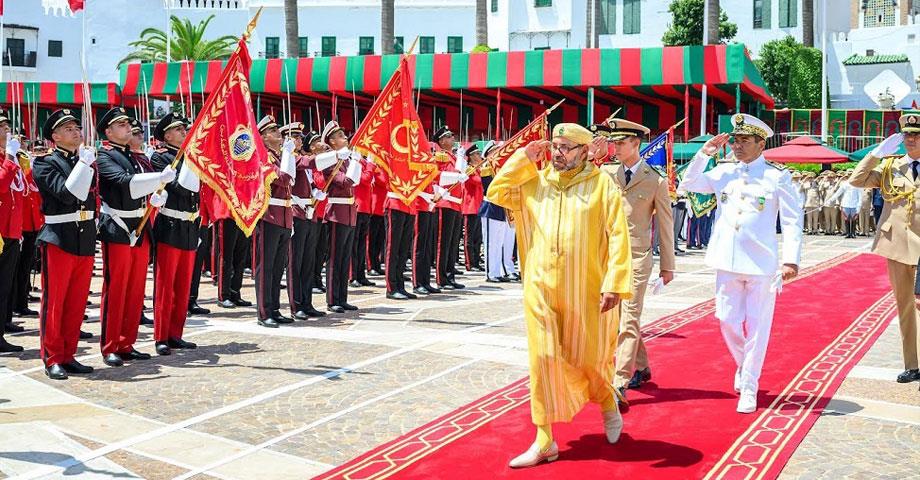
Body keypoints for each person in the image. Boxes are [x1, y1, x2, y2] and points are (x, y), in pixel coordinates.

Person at [487, 123, 633, 468]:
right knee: (542, 359)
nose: (558, 153)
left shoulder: (602, 186)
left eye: (566, 147)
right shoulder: (535, 182)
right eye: (555, 146)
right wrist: (523, 158)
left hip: (586, 289)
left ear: (584, 151)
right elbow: (497, 191)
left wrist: (615, 282)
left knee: (588, 358)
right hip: (540, 287)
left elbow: (618, 235)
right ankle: (544, 439)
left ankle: (607, 402)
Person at [679, 114, 803, 413]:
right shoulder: (724, 172)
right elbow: (689, 183)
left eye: (745, 140)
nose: (737, 146)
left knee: (758, 328)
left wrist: (791, 260)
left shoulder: (777, 176)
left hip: (761, 263)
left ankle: (749, 385)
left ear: (761, 144)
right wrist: (704, 153)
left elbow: (791, 219)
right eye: (735, 140)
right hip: (726, 259)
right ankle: (744, 364)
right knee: (727, 321)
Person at [592, 119, 676, 399]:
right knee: (617, 319)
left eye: (621, 143)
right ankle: (641, 365)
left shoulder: (655, 180)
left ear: (636, 143)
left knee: (629, 319)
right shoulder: (605, 173)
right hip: (609, 257)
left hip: (638, 257)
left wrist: (667, 265)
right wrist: (590, 156)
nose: (615, 148)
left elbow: (665, 224)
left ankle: (619, 382)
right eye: (613, 143)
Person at [96, 107, 174, 367]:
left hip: (140, 226)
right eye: (121, 125)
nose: (128, 128)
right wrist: (158, 178)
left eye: (128, 124)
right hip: (118, 226)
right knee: (116, 288)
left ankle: (126, 342)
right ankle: (110, 346)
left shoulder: (132, 156)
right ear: (108, 132)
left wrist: (155, 196)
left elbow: (140, 188)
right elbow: (124, 182)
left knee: (134, 290)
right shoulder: (104, 156)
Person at [849, 114, 920, 386]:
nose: (911, 139)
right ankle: (912, 365)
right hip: (897, 245)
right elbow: (857, 180)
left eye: (917, 135)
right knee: (905, 306)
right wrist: (876, 155)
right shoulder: (891, 166)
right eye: (907, 135)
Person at [33, 109, 98, 379]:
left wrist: (84, 163)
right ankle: (53, 357)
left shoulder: (84, 160)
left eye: (76, 127)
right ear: (55, 137)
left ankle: (69, 354)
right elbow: (66, 194)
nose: (76, 132)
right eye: (68, 129)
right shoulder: (45, 163)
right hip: (59, 236)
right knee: (55, 302)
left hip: (84, 236)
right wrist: (83, 165)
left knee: (76, 302)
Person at [149, 113, 201, 354]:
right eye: (178, 130)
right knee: (165, 285)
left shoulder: (190, 157)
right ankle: (161, 336)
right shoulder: (161, 158)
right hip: (170, 225)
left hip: (189, 225)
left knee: (182, 285)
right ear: (167, 135)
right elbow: (179, 189)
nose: (184, 132)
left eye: (184, 129)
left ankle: (175, 333)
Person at [254, 115, 295, 328]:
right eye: (272, 130)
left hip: (284, 216)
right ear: (262, 137)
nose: (278, 132)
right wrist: (288, 154)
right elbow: (282, 179)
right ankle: (264, 312)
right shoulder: (263, 157)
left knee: (278, 267)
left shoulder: (278, 156)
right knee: (266, 267)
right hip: (268, 216)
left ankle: (275, 309)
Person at [317, 121, 362, 313]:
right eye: (341, 136)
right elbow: (345, 182)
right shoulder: (330, 162)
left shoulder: (347, 161)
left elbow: (355, 182)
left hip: (349, 212)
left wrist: (355, 161)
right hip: (336, 213)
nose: (345, 138)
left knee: (344, 259)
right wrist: (356, 163)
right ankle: (333, 299)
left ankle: (342, 298)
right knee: (335, 259)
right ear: (332, 141)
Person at [287, 127, 327, 319]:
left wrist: (315, 191)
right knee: (296, 261)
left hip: (309, 212)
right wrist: (334, 155)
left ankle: (307, 302)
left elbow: (309, 180)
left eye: (299, 137)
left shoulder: (301, 158)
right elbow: (307, 163)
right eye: (295, 137)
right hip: (296, 212)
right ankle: (297, 305)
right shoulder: (290, 158)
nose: (299, 140)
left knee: (308, 261)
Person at [0, 111, 25, 352]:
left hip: (10, 231)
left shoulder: (10, 157)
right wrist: (9, 157)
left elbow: (20, 193)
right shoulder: (6, 158)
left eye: (7, 126)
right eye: (2, 127)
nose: (7, 130)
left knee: (4, 286)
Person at [478, 141, 518, 283]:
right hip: (491, 206)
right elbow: (490, 187)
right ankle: (490, 273)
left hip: (501, 206)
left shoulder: (501, 169)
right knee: (491, 243)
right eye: (496, 150)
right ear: (489, 153)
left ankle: (497, 271)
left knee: (499, 242)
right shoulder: (487, 167)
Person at [432, 126, 467, 290]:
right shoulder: (440, 156)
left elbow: (460, 174)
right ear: (441, 141)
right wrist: (456, 175)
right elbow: (437, 175)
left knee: (453, 242)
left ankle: (450, 274)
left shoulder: (452, 156)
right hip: (445, 201)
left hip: (455, 202)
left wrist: (461, 160)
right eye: (449, 136)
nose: (453, 138)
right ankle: (442, 278)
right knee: (443, 242)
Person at [461, 143, 485, 272]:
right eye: (477, 154)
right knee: (469, 238)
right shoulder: (469, 169)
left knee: (478, 238)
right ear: (471, 156)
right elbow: (478, 181)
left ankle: (476, 261)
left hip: (479, 207)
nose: (479, 156)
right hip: (470, 207)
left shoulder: (478, 169)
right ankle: (469, 262)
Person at [828, 169, 862, 238]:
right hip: (846, 203)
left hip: (854, 204)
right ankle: (848, 233)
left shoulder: (857, 183)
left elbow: (860, 196)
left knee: (853, 219)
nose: (850, 175)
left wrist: (859, 205)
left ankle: (853, 233)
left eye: (851, 174)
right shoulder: (845, 184)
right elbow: (838, 193)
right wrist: (831, 199)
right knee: (846, 219)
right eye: (848, 174)